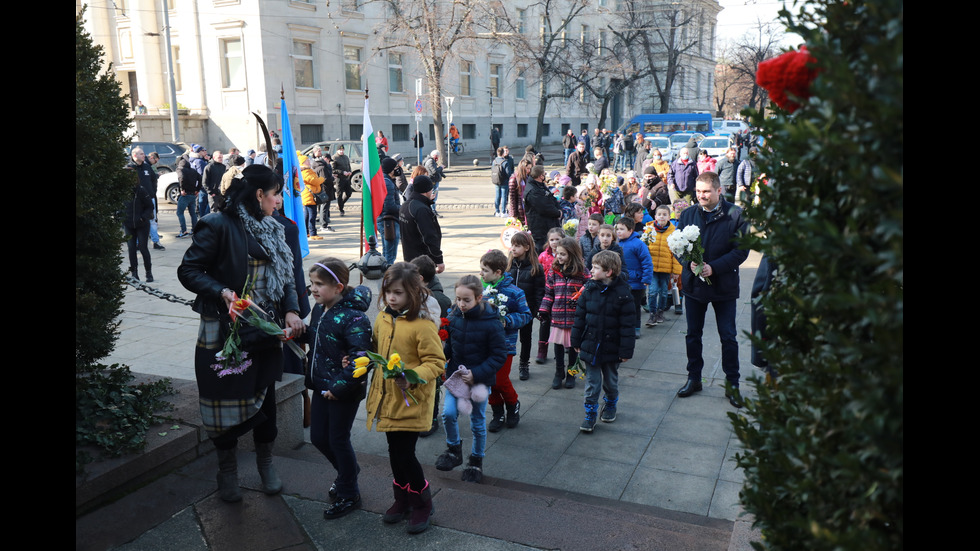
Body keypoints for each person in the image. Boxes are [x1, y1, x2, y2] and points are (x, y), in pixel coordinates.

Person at [177, 164, 306, 503]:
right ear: (259, 194)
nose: (279, 200)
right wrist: (221, 291)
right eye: (275, 193)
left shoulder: (277, 228)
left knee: (264, 398)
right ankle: (227, 469)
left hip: (266, 330)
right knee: (223, 400)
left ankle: (266, 464)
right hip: (224, 329)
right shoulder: (217, 224)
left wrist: (291, 310)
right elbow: (189, 270)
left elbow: (287, 279)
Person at [365, 262, 445, 534]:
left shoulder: (422, 325)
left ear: (412, 292)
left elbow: (436, 362)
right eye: (388, 291)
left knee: (405, 453)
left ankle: (422, 502)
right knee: (393, 452)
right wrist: (363, 359)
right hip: (387, 399)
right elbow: (376, 350)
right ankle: (402, 499)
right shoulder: (382, 318)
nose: (391, 297)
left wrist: (411, 375)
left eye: (397, 292)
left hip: (411, 399)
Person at [300, 258, 372, 520]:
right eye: (312, 284)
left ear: (339, 286)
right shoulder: (320, 309)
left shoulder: (355, 318)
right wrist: (296, 333)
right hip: (321, 386)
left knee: (337, 439)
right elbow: (316, 337)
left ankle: (349, 492)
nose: (314, 289)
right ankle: (348, 471)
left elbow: (361, 359)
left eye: (319, 284)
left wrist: (338, 388)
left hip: (343, 391)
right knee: (319, 438)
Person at [675, 171, 750, 408]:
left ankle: (732, 384)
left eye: (706, 191)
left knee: (728, 336)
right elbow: (677, 246)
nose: (701, 196)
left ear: (719, 191)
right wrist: (689, 263)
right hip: (694, 287)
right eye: (698, 191)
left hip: (723, 287)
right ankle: (694, 378)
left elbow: (741, 251)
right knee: (692, 335)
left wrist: (714, 268)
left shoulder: (736, 215)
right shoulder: (688, 214)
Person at [436, 275, 507, 483]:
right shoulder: (455, 316)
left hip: (479, 381)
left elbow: (498, 355)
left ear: (478, 298)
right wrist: (443, 354)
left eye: (466, 300)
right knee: (448, 414)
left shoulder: (491, 323)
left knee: (477, 422)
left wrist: (476, 373)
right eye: (458, 299)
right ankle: (453, 450)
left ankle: (476, 460)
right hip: (455, 378)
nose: (461, 304)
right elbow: (451, 343)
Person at [571, 250, 635, 432]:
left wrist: (625, 351)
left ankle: (611, 404)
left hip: (612, 348)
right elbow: (580, 318)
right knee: (592, 383)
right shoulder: (589, 289)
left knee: (610, 382)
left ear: (609, 272)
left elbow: (627, 326)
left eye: (596, 267)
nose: (591, 270)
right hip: (591, 345)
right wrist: (576, 341)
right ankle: (590, 414)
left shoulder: (623, 294)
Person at [480, 250, 531, 432]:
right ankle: (497, 412)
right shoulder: (481, 290)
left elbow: (526, 315)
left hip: (504, 344)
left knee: (500, 380)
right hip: (484, 344)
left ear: (498, 272)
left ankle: (512, 403)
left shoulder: (515, 292)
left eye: (485, 270)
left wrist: (507, 321)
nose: (481, 274)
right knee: (488, 379)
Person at [538, 237, 588, 390]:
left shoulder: (582, 273)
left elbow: (588, 289)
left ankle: (571, 373)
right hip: (558, 314)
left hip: (574, 317)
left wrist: (579, 300)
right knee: (558, 345)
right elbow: (549, 293)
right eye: (558, 253)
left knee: (573, 346)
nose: (559, 257)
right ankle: (559, 372)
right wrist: (544, 309)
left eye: (563, 254)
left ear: (572, 255)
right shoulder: (554, 271)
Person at [507, 231, 545, 381]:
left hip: (525, 310)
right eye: (512, 245)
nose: (513, 249)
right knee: (508, 338)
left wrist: (534, 310)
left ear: (527, 247)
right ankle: (505, 363)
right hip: (509, 310)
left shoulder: (536, 268)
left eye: (517, 246)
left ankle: (524, 364)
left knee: (525, 338)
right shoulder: (509, 265)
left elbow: (539, 292)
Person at [615, 217, 653, 338]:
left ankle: (636, 327)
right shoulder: (616, 244)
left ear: (630, 230)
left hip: (636, 282)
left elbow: (646, 262)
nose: (618, 232)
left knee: (635, 306)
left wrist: (646, 278)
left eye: (622, 229)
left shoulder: (638, 244)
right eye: (617, 229)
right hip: (621, 281)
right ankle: (623, 326)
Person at [399, 175, 444, 273]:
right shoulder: (421, 210)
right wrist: (438, 259)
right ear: (427, 190)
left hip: (409, 259)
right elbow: (429, 237)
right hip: (422, 263)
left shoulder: (406, 205)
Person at [128, 147, 164, 251]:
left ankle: (156, 242)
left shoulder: (147, 167)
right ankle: (138, 244)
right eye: (141, 154)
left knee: (153, 221)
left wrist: (152, 193)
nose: (144, 155)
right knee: (138, 220)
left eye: (143, 154)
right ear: (135, 155)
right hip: (136, 201)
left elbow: (153, 180)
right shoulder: (130, 168)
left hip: (149, 199)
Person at [523, 165, 562, 255]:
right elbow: (544, 207)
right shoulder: (533, 191)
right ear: (540, 176)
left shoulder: (539, 185)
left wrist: (559, 209)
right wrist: (557, 213)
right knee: (543, 249)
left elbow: (551, 198)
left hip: (548, 224)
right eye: (544, 174)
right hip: (540, 227)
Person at [123, 167, 154, 281]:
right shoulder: (122, 191)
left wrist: (143, 218)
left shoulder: (140, 190)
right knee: (131, 248)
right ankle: (134, 273)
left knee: (143, 247)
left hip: (141, 224)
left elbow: (150, 206)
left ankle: (148, 272)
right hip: (128, 224)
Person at [378, 157, 402, 266]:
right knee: (389, 255)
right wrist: (402, 209)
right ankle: (387, 278)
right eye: (395, 167)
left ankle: (385, 276)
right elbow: (389, 206)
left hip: (386, 220)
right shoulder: (387, 182)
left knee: (387, 252)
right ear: (390, 169)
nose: (397, 169)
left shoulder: (384, 179)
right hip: (388, 221)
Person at [299, 154, 326, 241]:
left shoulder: (308, 170)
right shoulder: (305, 172)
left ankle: (306, 232)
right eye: (307, 161)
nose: (309, 161)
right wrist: (322, 179)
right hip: (309, 197)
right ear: (303, 163)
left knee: (307, 215)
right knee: (312, 216)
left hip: (309, 196)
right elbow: (314, 181)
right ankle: (313, 233)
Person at [311, 145, 336, 233]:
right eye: (318, 151)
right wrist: (332, 178)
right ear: (314, 153)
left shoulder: (320, 163)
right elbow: (324, 179)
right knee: (324, 207)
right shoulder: (320, 166)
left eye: (320, 151)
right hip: (324, 188)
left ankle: (324, 224)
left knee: (324, 207)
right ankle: (323, 225)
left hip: (324, 188)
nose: (320, 152)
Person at [176, 156, 201, 238]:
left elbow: (181, 178)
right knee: (193, 213)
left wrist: (182, 189)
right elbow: (200, 178)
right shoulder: (193, 171)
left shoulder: (180, 170)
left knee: (180, 212)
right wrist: (198, 189)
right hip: (193, 194)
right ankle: (194, 230)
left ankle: (184, 231)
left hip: (185, 194)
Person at [203, 150, 227, 217]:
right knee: (213, 212)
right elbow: (204, 182)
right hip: (213, 193)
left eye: (222, 157)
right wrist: (210, 192)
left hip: (222, 193)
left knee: (222, 212)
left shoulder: (223, 167)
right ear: (214, 157)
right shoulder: (209, 167)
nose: (221, 159)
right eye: (219, 157)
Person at [332, 145, 354, 216]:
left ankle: (341, 204)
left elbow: (348, 166)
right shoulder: (334, 158)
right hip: (339, 179)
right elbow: (333, 170)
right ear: (337, 150)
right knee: (339, 194)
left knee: (349, 193)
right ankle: (341, 209)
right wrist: (342, 172)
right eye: (340, 150)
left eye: (342, 150)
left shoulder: (345, 157)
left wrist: (350, 172)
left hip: (346, 178)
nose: (341, 151)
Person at [422, 150, 445, 216]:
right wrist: (441, 167)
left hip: (433, 181)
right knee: (433, 196)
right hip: (433, 181)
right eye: (437, 157)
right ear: (435, 156)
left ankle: (432, 210)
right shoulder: (430, 161)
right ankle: (433, 210)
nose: (438, 158)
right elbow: (434, 171)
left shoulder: (431, 161)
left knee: (433, 195)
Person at [491, 147, 511, 217]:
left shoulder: (494, 161)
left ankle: (497, 211)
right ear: (503, 153)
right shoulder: (505, 162)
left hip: (496, 180)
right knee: (504, 196)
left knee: (497, 196)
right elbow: (508, 173)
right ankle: (503, 212)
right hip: (504, 181)